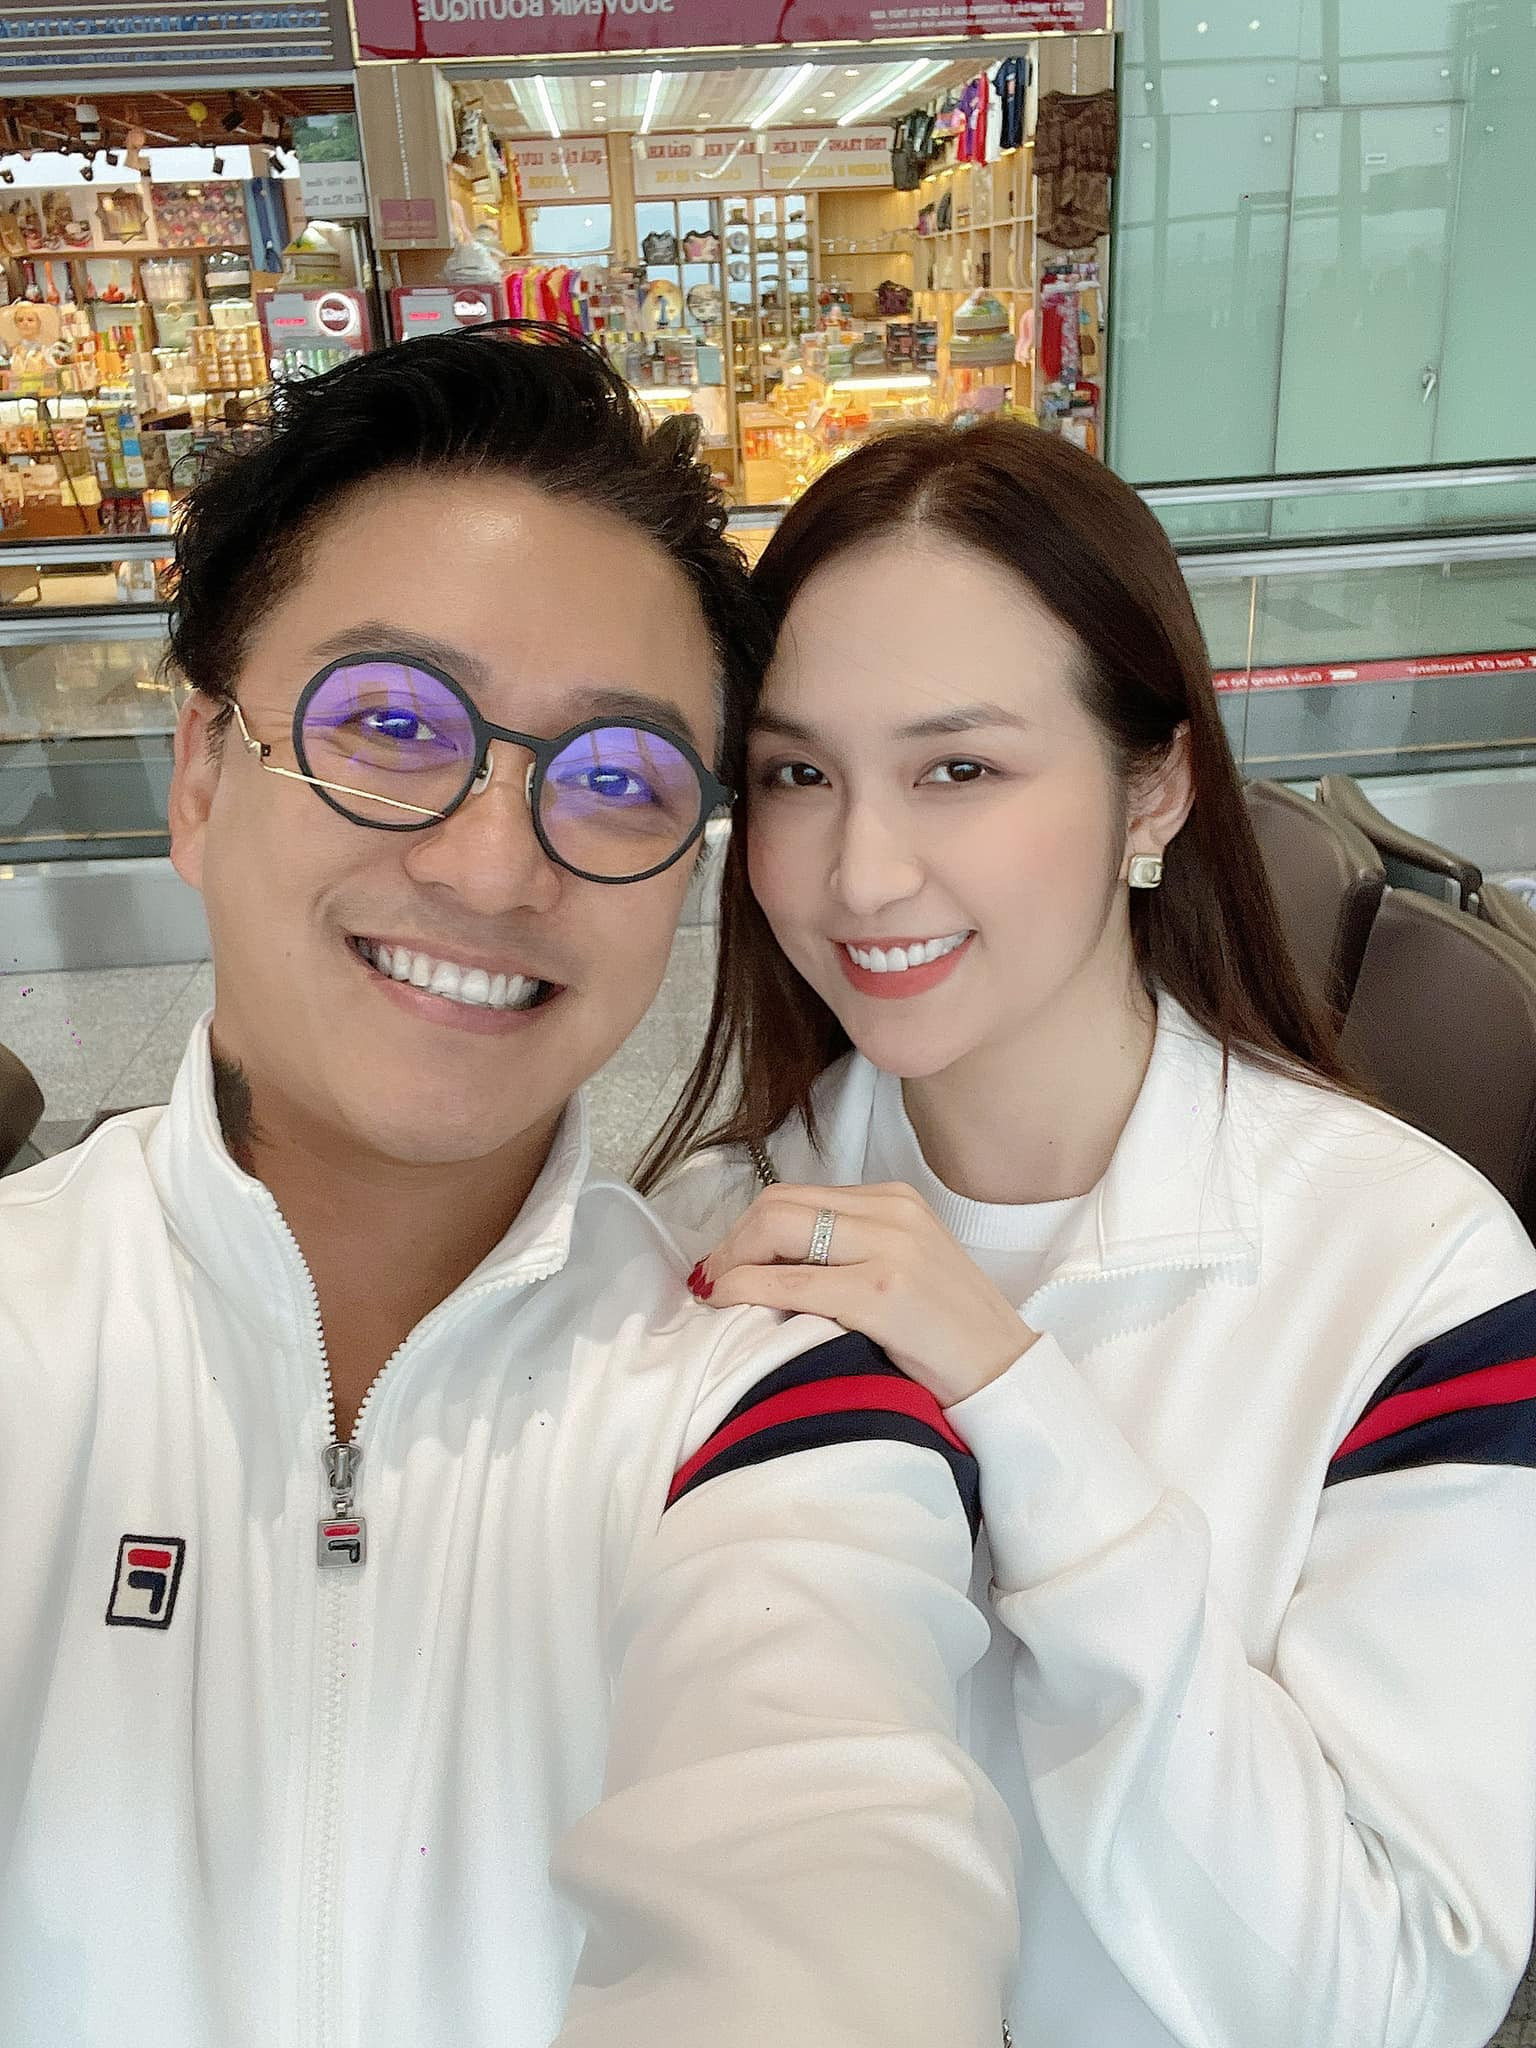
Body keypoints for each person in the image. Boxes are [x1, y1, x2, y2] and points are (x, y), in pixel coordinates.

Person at [0, 328, 1022, 2048]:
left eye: (616, 778)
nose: (491, 866)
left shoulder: (770, 1416)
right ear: (200, 780)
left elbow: (836, 1867)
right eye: (390, 723)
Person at [645, 418, 1536, 2048]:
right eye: (797, 775)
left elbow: (1390, 1991)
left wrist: (1019, 1404)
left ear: (1157, 787)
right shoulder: (714, 1230)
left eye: (960, 770)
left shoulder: (1412, 1278)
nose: (861, 872)